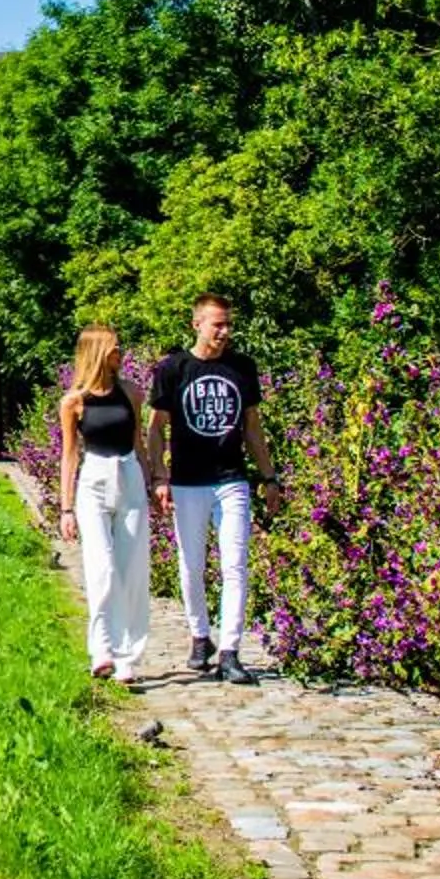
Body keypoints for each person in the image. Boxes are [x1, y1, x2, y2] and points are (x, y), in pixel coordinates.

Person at [151, 293, 278, 685]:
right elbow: (155, 428)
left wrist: (269, 477)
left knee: (234, 564)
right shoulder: (173, 369)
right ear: (197, 324)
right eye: (216, 324)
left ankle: (230, 650)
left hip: (231, 478)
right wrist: (159, 476)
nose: (224, 332)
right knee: (191, 565)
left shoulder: (241, 368)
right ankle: (200, 636)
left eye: (228, 325)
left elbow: (252, 427)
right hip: (188, 480)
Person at [56, 324, 154, 682]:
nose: (120, 353)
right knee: (101, 567)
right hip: (94, 479)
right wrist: (65, 508)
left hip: (128, 475)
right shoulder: (74, 401)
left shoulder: (130, 392)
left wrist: (153, 480)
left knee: (131, 569)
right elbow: (69, 455)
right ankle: (102, 648)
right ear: (97, 352)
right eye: (114, 348)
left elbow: (139, 442)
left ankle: (128, 655)